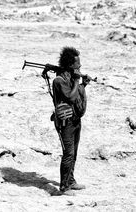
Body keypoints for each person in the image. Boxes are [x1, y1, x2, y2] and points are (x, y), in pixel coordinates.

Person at [52, 46, 90, 196]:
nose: (80, 66)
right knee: (68, 154)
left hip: (75, 120)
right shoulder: (59, 81)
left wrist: (83, 84)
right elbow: (71, 97)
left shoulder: (69, 78)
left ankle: (71, 180)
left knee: (74, 153)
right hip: (65, 123)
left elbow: (75, 92)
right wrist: (76, 80)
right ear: (70, 65)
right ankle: (64, 187)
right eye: (77, 63)